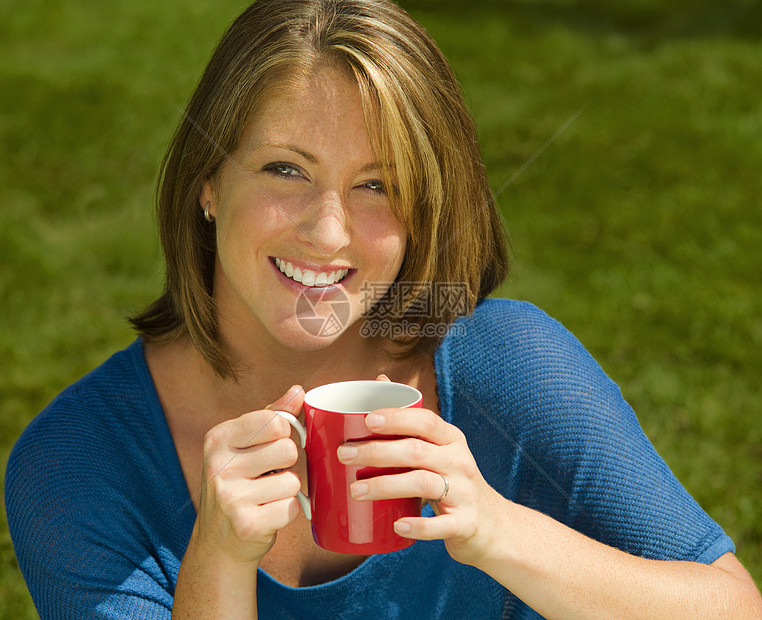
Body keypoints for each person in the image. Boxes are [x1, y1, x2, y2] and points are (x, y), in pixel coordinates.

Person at [5, 0, 761, 618]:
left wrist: (498, 532)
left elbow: (731, 608)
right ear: (208, 182)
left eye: (377, 184)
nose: (328, 231)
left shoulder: (509, 368)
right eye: (285, 168)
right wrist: (216, 562)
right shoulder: (75, 464)